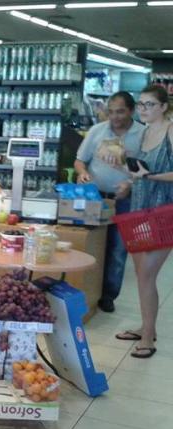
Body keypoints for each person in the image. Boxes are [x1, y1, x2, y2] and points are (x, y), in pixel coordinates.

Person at [112, 85, 173, 358]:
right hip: (139, 209)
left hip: (164, 213)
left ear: (163, 107)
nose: (143, 109)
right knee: (141, 275)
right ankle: (146, 327)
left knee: (147, 274)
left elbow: (153, 174)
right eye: (141, 104)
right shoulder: (145, 133)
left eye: (149, 104)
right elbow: (139, 172)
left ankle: (148, 338)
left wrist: (149, 177)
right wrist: (126, 176)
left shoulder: (170, 131)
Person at [74, 91, 145, 313]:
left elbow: (148, 170)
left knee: (118, 249)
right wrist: (82, 173)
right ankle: (89, 291)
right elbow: (79, 161)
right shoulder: (97, 131)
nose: (115, 117)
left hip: (126, 201)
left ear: (131, 111)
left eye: (120, 112)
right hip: (95, 198)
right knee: (91, 245)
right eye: (111, 112)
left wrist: (130, 184)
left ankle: (108, 295)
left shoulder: (143, 135)